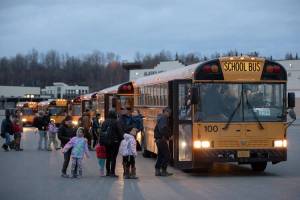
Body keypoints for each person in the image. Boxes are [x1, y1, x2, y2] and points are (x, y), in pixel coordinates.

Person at [101, 110, 123, 177]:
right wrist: (121, 139)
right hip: (115, 142)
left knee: (108, 157)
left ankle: (107, 172)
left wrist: (101, 141)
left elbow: (102, 131)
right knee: (113, 157)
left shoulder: (105, 122)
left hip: (106, 142)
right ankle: (112, 172)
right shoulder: (116, 122)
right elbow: (120, 132)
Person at [154, 107, 173, 176]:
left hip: (158, 139)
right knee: (167, 155)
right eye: (169, 112)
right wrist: (169, 136)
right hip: (161, 139)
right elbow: (163, 129)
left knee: (161, 155)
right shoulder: (163, 118)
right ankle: (163, 171)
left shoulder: (161, 118)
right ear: (165, 112)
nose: (169, 114)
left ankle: (157, 170)